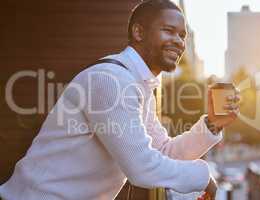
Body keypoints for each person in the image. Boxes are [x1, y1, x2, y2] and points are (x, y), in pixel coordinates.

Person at [0, 0, 239, 199]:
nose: (179, 41)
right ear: (138, 32)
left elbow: (163, 152)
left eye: (183, 35)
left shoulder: (138, 86)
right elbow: (142, 168)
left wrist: (213, 124)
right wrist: (201, 175)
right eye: (168, 30)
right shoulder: (110, 80)